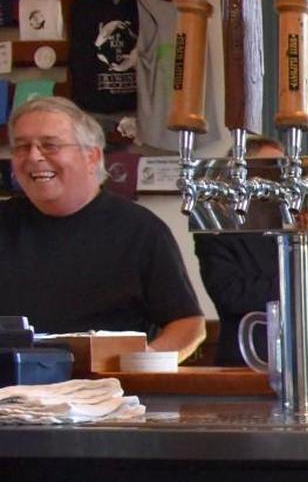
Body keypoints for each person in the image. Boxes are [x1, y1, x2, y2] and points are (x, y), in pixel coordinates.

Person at [0, 96, 205, 359]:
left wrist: (144, 362)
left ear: (91, 156)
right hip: (11, 381)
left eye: (49, 145)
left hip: (108, 382)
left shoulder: (140, 230)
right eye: (21, 147)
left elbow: (188, 324)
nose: (33, 156)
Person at [193, 136, 286, 366]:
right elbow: (232, 296)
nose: (279, 177)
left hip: (302, 354)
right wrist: (297, 282)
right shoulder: (217, 232)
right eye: (270, 168)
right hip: (246, 360)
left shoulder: (292, 226)